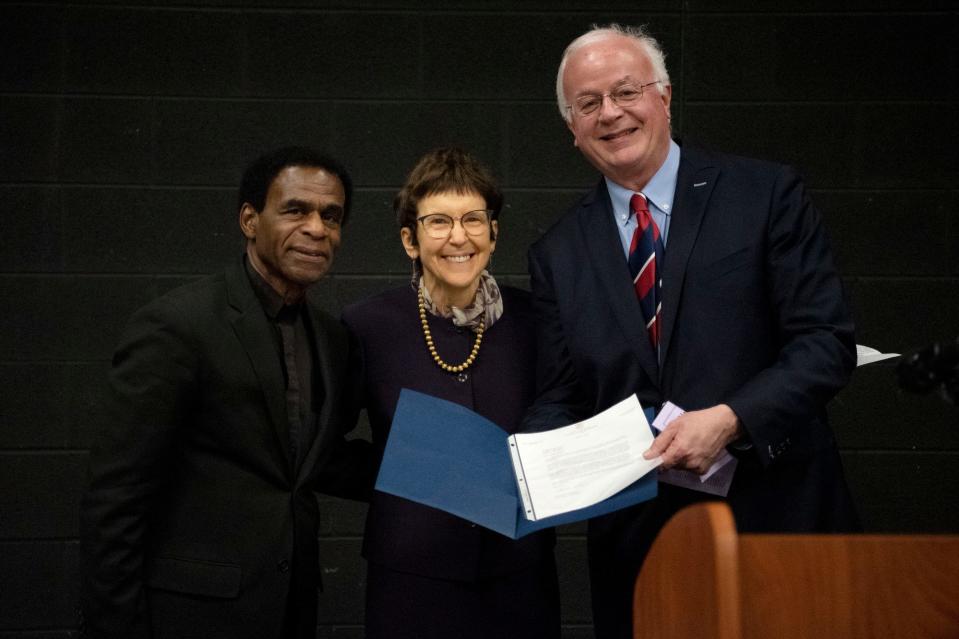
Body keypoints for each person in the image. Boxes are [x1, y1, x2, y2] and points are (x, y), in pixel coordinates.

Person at [523, 24, 860, 638]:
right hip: (640, 547)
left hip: (777, 518)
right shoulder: (557, 252)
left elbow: (824, 344)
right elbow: (563, 393)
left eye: (626, 91)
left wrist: (732, 418)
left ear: (665, 96)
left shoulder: (765, 194)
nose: (611, 113)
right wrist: (521, 464)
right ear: (571, 127)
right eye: (588, 103)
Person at [80, 147, 372, 639]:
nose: (317, 229)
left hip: (289, 611)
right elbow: (115, 501)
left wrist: (448, 476)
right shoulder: (178, 325)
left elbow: (316, 461)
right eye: (296, 210)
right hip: (191, 617)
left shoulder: (331, 338)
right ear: (249, 219)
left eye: (331, 216)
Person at [341, 147, 560, 639]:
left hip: (520, 576)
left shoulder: (537, 321)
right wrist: (414, 471)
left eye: (473, 220)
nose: (458, 237)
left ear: (494, 234)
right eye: (438, 222)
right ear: (410, 240)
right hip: (411, 579)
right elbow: (326, 446)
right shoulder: (367, 326)